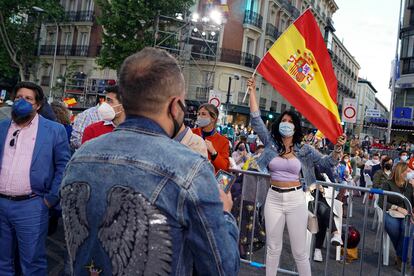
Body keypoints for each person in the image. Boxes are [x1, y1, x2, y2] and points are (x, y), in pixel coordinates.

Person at [60, 48, 239, 275]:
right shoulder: (189, 169)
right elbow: (222, 268)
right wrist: (224, 213)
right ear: (175, 106)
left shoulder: (81, 156)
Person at [247, 77, 345, 276]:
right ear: (278, 124)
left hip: (295, 200)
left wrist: (338, 149)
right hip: (273, 198)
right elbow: (256, 120)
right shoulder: (271, 143)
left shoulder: (305, 149)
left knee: (299, 252)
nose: (286, 124)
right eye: (283, 120)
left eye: (290, 122)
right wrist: (252, 92)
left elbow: (327, 163)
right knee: (273, 249)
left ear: (296, 126)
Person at [0, 82, 70, 275]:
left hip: (32, 205)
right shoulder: (3, 127)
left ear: (38, 105)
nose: (21, 102)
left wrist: (49, 200)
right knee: (2, 262)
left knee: (32, 263)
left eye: (28, 99)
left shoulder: (54, 130)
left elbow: (64, 166)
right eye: (18, 98)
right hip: (2, 204)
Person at [379, 162, 414, 270]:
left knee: (406, 228)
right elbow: (381, 202)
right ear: (400, 172)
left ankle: (400, 256)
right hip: (391, 212)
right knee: (392, 226)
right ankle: (401, 255)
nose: (409, 173)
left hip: (407, 214)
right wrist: (397, 208)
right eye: (407, 171)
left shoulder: (409, 185)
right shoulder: (388, 183)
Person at [192, 103, 230, 172]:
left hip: (208, 179)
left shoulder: (223, 141)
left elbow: (224, 167)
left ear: (213, 118)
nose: (199, 117)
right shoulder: (191, 133)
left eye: (203, 114)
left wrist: (213, 152)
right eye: (198, 114)